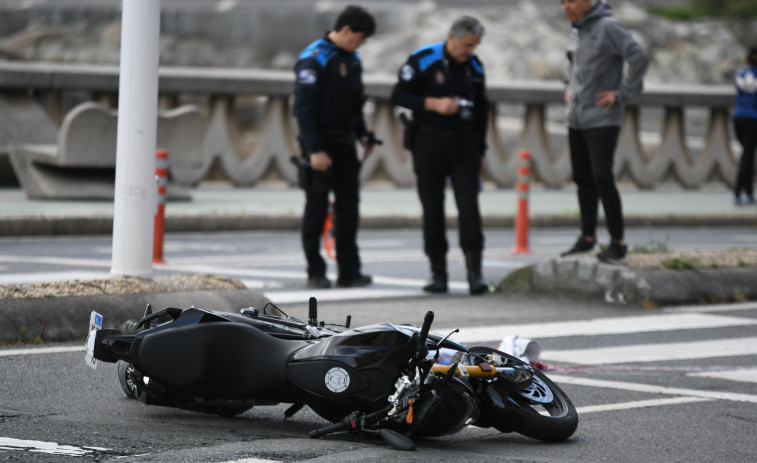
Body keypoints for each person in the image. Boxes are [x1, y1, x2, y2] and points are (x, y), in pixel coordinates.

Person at [391, 16, 489, 295]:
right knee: (432, 210)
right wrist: (433, 104)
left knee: (469, 209)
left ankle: (475, 274)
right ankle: (438, 274)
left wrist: (481, 148)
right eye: (467, 45)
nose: (470, 51)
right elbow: (398, 95)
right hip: (429, 142)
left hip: (465, 145)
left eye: (475, 46)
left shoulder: (475, 66)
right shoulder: (424, 59)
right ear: (452, 37)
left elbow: (483, 110)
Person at [292, 5, 377, 289]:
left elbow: (354, 104)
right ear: (346, 31)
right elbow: (303, 110)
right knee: (316, 209)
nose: (362, 44)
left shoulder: (352, 60)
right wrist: (315, 149)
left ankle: (349, 271)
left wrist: (363, 134)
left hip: (345, 144)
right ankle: (315, 272)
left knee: (349, 209)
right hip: (319, 144)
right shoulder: (315, 57)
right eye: (360, 37)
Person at [559, 0, 649, 264]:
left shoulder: (608, 27)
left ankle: (617, 242)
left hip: (603, 118)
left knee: (602, 178)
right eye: (562, 2)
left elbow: (639, 57)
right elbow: (571, 63)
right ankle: (587, 237)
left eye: (571, 1)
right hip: (576, 118)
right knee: (582, 178)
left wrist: (623, 93)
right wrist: (568, 85)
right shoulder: (577, 29)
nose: (566, 7)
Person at [732, 45, 757, 206]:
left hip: (738, 118)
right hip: (753, 119)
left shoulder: (740, 74)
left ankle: (748, 192)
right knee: (747, 158)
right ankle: (738, 192)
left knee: (748, 155)